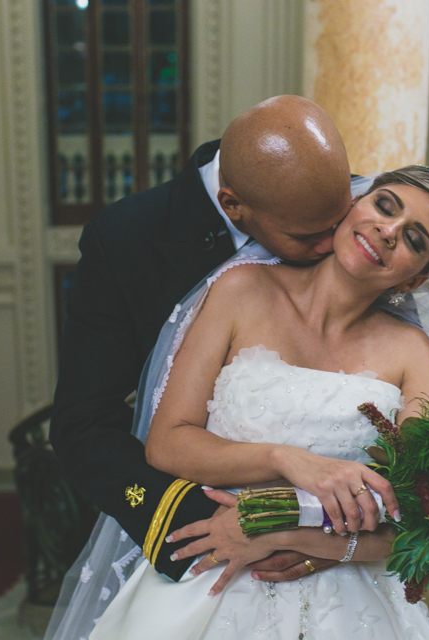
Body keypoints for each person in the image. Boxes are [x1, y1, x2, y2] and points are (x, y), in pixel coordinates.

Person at [49, 166, 429, 639]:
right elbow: (167, 444)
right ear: (352, 206)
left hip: (344, 599)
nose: (388, 231)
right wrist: (288, 460)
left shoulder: (413, 356)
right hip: (209, 569)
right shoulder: (240, 291)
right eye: (385, 206)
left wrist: (291, 537)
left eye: (414, 239)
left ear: (415, 278)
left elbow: (425, 512)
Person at [49, 95, 372, 591]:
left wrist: (326, 541)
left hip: (335, 544)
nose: (333, 248)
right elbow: (82, 426)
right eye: (306, 236)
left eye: (338, 223)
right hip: (204, 529)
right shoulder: (126, 239)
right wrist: (203, 526)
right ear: (232, 205)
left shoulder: (343, 204)